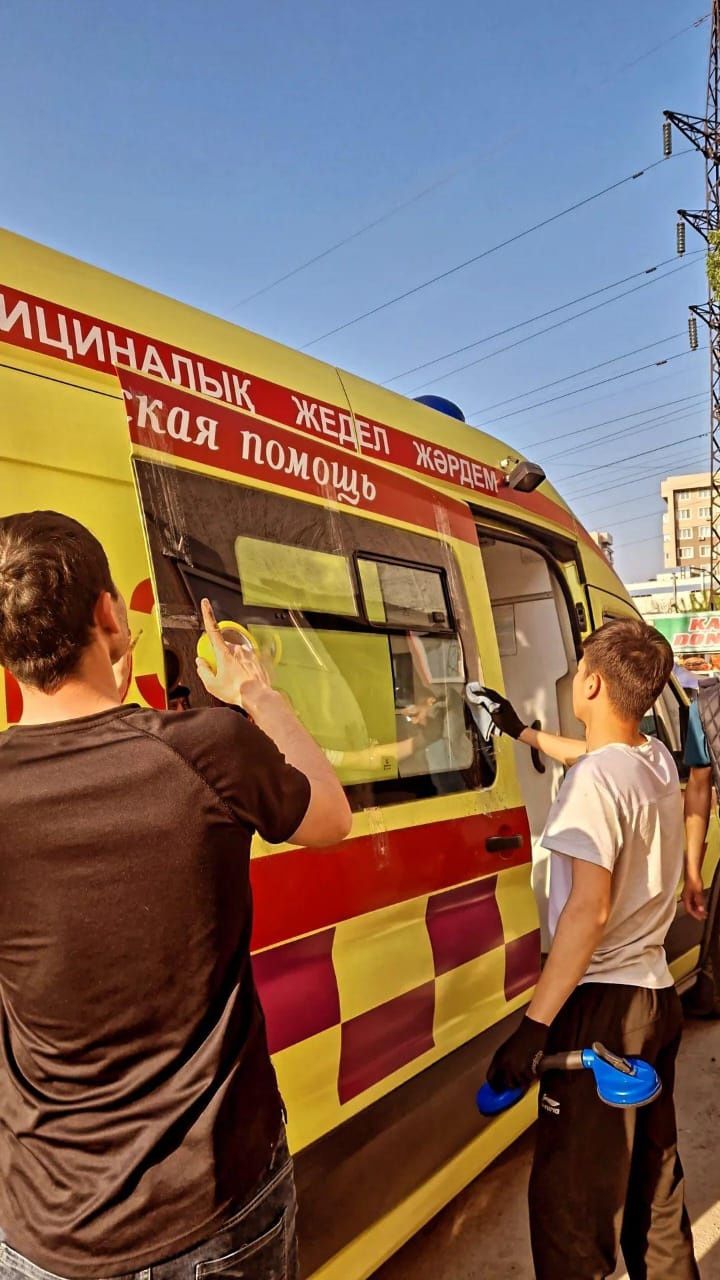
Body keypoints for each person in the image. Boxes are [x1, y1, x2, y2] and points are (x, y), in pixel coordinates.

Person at [0, 511, 351, 1280]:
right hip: (212, 1211)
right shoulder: (203, 749)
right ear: (108, 615)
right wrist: (260, 696)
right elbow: (331, 816)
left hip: (43, 1226)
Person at [485, 619, 699, 1280]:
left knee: (572, 1216)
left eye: (579, 665)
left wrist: (534, 1026)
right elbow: (601, 758)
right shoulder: (653, 759)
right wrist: (521, 732)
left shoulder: (595, 785)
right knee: (653, 1198)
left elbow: (588, 910)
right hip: (655, 1001)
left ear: (593, 682)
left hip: (602, 1014)